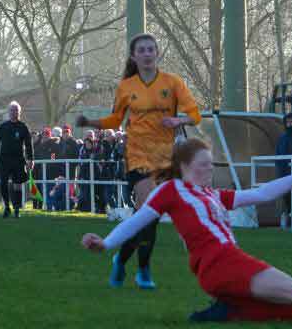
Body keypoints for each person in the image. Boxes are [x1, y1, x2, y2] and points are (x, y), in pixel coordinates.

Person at [80, 138, 292, 325]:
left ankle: (226, 312)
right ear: (183, 167)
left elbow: (261, 194)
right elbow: (139, 220)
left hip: (225, 265)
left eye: (212, 165)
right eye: (203, 165)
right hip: (220, 263)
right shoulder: (171, 191)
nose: (210, 170)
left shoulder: (211, 194)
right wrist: (106, 242)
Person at [76, 33, 201, 290]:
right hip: (137, 155)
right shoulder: (126, 87)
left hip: (165, 158)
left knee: (149, 216)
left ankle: (122, 260)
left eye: (151, 49)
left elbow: (195, 114)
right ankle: (143, 271)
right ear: (134, 56)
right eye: (141, 50)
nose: (146, 54)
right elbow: (115, 120)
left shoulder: (173, 83)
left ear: (157, 53)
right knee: (149, 208)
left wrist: (179, 120)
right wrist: (91, 122)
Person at [0, 101, 33, 218]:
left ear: (19, 112)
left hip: (18, 160)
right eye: (12, 110)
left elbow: (28, 144)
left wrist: (30, 159)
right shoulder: (3, 127)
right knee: (3, 183)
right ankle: (7, 207)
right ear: (8, 112)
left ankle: (17, 209)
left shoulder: (23, 127)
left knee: (17, 184)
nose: (14, 112)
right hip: (4, 160)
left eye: (16, 110)